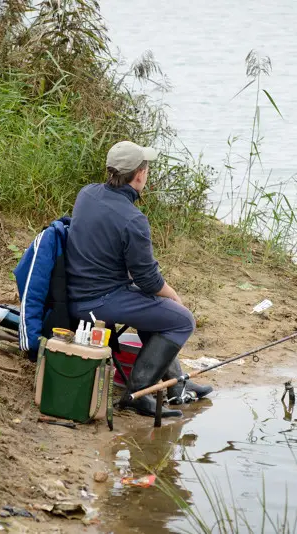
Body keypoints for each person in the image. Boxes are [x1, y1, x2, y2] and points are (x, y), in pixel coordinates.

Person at [65, 141, 212, 418]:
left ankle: (176, 384)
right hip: (97, 301)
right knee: (181, 319)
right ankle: (137, 392)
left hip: (79, 291)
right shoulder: (134, 219)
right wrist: (174, 296)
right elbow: (149, 281)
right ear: (140, 174)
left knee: (159, 309)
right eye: (146, 168)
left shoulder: (87, 194)